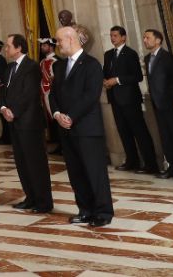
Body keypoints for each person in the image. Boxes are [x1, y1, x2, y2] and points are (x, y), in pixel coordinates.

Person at [51, 25, 113, 226]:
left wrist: (71, 116)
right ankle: (85, 210)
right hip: (66, 128)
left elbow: (91, 95)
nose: (57, 44)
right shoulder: (59, 66)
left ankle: (103, 213)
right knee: (76, 172)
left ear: (70, 38)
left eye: (59, 40)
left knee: (94, 172)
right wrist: (58, 114)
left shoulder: (91, 64)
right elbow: (53, 94)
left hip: (87, 129)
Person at [0, 34, 53, 213]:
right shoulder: (8, 68)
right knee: (22, 163)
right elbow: (3, 91)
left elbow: (29, 93)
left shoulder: (31, 67)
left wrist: (13, 111)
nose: (6, 49)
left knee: (36, 163)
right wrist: (4, 107)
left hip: (29, 122)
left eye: (8, 46)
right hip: (14, 122)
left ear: (19, 47)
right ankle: (30, 197)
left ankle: (43, 202)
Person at [103, 25, 158, 173]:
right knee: (123, 132)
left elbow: (137, 76)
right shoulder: (108, 54)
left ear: (123, 37)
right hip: (114, 99)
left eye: (115, 35)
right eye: (111, 35)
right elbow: (106, 74)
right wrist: (106, 82)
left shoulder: (130, 53)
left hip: (130, 99)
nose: (112, 38)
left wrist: (117, 80)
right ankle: (131, 161)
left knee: (139, 131)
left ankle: (150, 164)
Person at [141, 29, 173, 180]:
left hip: (171, 105)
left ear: (158, 40)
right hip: (157, 105)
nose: (145, 40)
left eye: (147, 37)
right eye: (144, 37)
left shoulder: (168, 58)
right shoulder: (148, 58)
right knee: (166, 138)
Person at [38, 38, 61, 155]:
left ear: (51, 47)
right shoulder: (42, 62)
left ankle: (62, 144)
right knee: (50, 118)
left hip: (54, 94)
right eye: (42, 46)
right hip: (45, 93)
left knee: (57, 116)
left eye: (44, 45)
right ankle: (57, 142)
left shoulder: (57, 61)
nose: (42, 47)